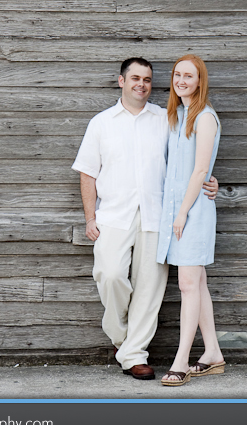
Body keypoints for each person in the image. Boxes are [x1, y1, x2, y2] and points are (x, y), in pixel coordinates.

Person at [72, 58, 219, 380]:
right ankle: (122, 340)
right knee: (109, 275)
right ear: (121, 81)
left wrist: (211, 179)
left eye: (148, 79)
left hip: (158, 216)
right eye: (135, 78)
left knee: (150, 289)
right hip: (113, 214)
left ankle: (133, 355)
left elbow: (188, 159)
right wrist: (89, 217)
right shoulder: (102, 122)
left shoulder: (166, 118)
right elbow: (87, 172)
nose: (142, 84)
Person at [156, 55, 225, 386]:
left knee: (187, 284)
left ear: (200, 81)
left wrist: (182, 211)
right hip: (179, 211)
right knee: (197, 284)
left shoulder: (205, 117)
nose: (181, 79)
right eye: (177, 74)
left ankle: (181, 360)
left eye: (189, 75)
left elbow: (200, 170)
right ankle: (212, 352)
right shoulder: (177, 115)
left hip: (193, 212)